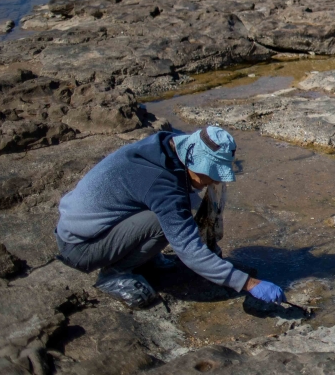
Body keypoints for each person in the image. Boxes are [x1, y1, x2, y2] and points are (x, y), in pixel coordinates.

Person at [55, 125, 286, 309]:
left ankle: (141, 256)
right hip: (80, 248)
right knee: (164, 222)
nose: (214, 181)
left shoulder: (168, 147)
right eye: (211, 174)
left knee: (179, 210)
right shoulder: (162, 186)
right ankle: (113, 273)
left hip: (84, 227)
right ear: (194, 163)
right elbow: (189, 251)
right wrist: (247, 283)